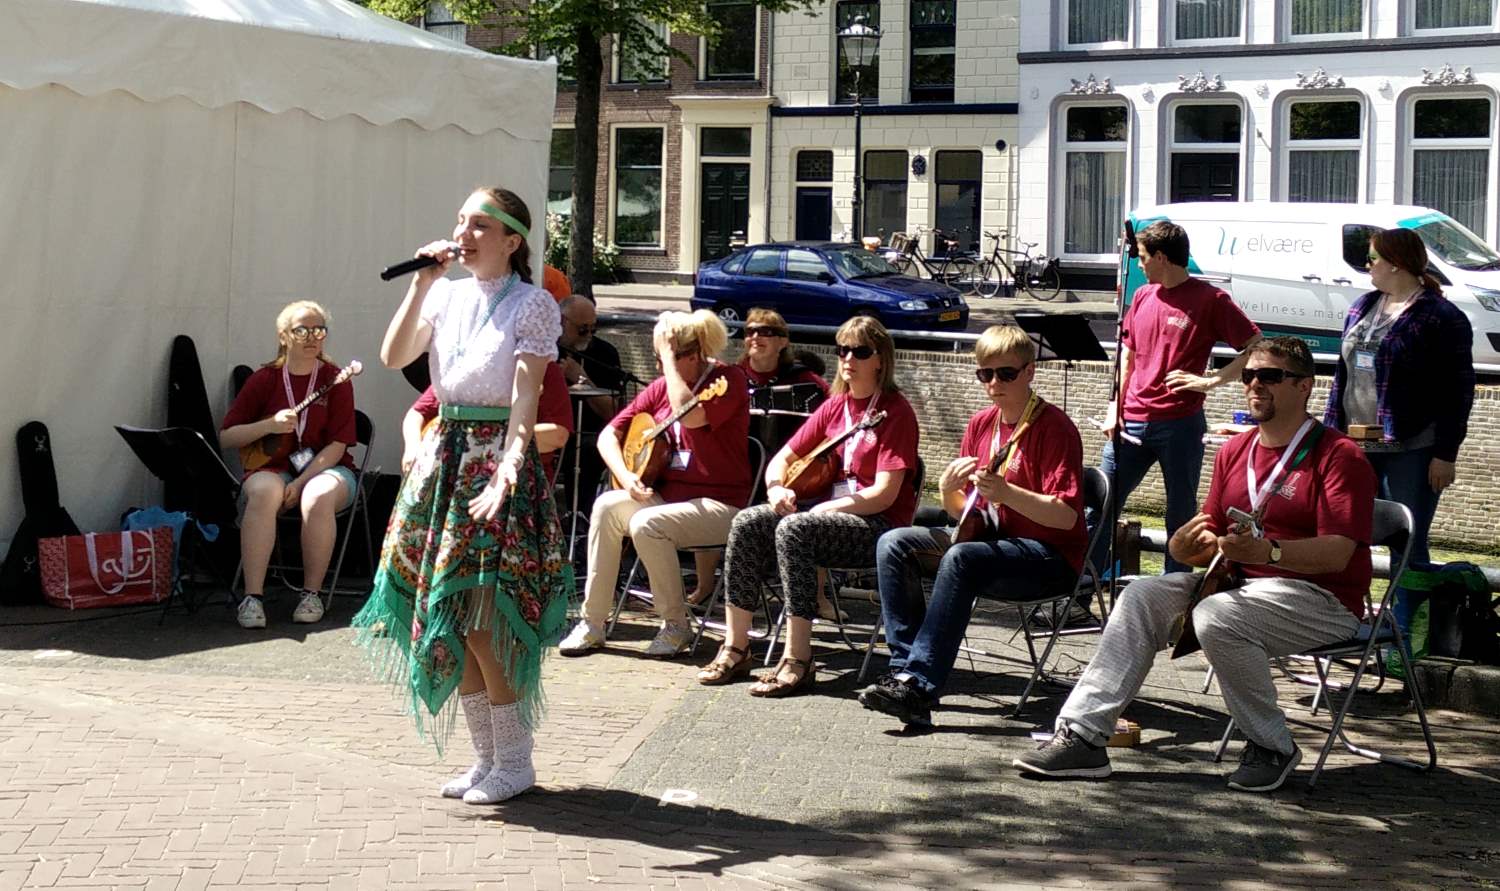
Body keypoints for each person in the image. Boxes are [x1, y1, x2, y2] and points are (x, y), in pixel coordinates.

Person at [1015, 337, 1376, 794]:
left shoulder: (1340, 455)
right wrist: (1190, 552)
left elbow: (1340, 552)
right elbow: (1215, 541)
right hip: (1239, 583)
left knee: (1217, 616)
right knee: (1142, 594)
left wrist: (1271, 554)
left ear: (1305, 386)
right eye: (1248, 375)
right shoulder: (1234, 451)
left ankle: (1272, 746)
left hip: (1323, 599)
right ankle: (1083, 736)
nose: (1254, 385)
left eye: (1270, 376)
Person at [353, 187, 572, 805]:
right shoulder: (444, 294)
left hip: (490, 461)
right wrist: (421, 284)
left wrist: (508, 468)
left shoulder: (533, 304)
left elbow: (526, 398)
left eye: (481, 225)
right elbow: (395, 355)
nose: (465, 233)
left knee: (483, 616)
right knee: (453, 613)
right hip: (446, 456)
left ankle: (516, 758)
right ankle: (487, 758)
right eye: (460, 222)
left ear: (512, 240)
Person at [861, 325, 1086, 727]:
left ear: (1030, 372)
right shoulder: (981, 424)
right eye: (985, 374)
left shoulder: (1054, 427)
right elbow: (965, 515)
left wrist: (1007, 492)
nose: (994, 384)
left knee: (963, 559)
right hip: (990, 544)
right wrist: (948, 491)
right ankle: (904, 673)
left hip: (1048, 557)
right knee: (893, 543)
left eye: (1006, 374)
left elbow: (1066, 515)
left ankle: (920, 682)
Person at [697, 315, 920, 697]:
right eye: (843, 350)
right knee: (749, 522)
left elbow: (884, 494)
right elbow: (783, 457)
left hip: (878, 526)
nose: (848, 358)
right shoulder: (836, 407)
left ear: (880, 359)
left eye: (860, 351)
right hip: (822, 517)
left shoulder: (896, 412)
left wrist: (826, 511)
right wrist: (775, 489)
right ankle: (737, 646)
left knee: (796, 528)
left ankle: (798, 657)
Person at [557, 310, 752, 658]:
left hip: (720, 504)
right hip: (667, 498)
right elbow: (607, 436)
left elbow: (690, 416)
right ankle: (593, 623)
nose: (661, 367)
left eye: (667, 356)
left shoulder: (728, 379)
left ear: (693, 356)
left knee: (648, 524)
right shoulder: (663, 387)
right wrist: (627, 476)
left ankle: (676, 625)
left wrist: (669, 362)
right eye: (658, 357)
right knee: (606, 506)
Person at [1324, 227, 1474, 651]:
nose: (1366, 266)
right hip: (1353, 445)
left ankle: (1407, 645)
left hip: (1411, 447)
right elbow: (1344, 374)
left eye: (1372, 259)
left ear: (1396, 263)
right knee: (1344, 534)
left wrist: (1446, 453)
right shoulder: (1363, 305)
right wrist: (1328, 434)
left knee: (1408, 544)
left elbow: (1458, 391)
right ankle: (1342, 627)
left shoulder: (1441, 317)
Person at [1096, 221, 1262, 574]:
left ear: (1161, 257)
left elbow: (1255, 346)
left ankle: (1173, 595)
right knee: (1100, 504)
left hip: (1179, 426)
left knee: (1180, 516)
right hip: (1129, 424)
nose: (1139, 265)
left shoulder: (1211, 299)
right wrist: (1115, 406)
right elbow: (1126, 354)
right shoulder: (1141, 296)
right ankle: (1079, 595)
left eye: (1142, 258)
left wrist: (1210, 382)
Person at [681, 308, 831, 612]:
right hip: (739, 467)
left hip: (791, 472)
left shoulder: (808, 381)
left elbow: (832, 421)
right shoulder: (729, 378)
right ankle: (705, 585)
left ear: (783, 341)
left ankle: (818, 595)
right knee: (706, 488)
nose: (756, 337)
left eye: (766, 332)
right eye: (750, 331)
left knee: (816, 502)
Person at [220, 301, 357, 630]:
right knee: (264, 493)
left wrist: (300, 482)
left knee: (317, 495)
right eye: (302, 330)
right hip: (273, 468)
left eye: (318, 330)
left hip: (324, 470)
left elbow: (337, 446)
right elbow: (227, 437)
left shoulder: (336, 379)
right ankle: (253, 597)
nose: (312, 337)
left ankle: (312, 593)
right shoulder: (264, 379)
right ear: (284, 336)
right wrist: (268, 425)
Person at [402, 360, 573, 483]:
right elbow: (416, 414)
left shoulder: (545, 369)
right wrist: (412, 449)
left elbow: (557, 435)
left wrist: (484, 438)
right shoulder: (465, 365)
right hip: (451, 474)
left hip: (519, 479)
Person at [556, 294, 625, 516]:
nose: (588, 335)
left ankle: (581, 518)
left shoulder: (604, 353)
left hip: (589, 433)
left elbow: (613, 411)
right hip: (553, 430)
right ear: (562, 322)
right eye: (582, 329)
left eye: (592, 329)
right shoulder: (546, 350)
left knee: (587, 449)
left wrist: (581, 379)